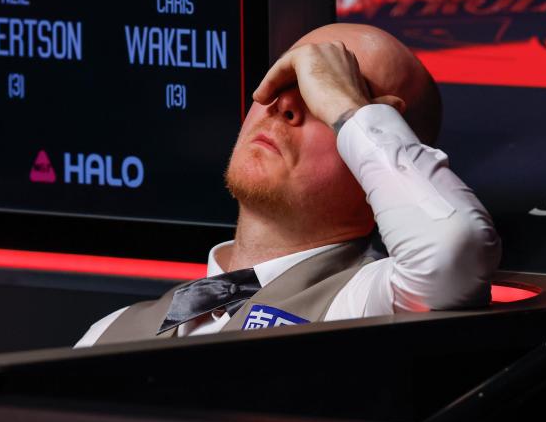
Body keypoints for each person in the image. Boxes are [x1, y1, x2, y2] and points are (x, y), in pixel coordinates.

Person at [76, 23, 501, 346]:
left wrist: (349, 111)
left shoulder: (366, 305)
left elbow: (453, 245)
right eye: (286, 76)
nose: (284, 104)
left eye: (325, 90)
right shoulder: (108, 332)